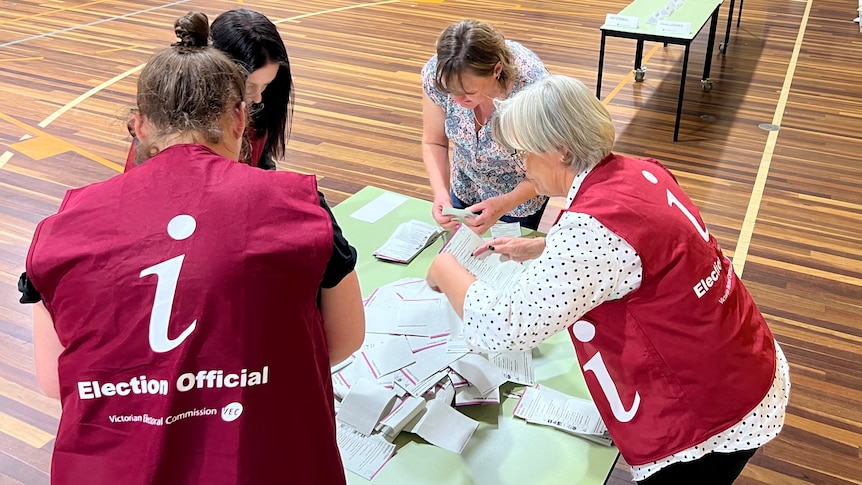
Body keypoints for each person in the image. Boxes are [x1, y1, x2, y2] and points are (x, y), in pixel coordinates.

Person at [19, 12, 363, 485]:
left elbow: (54, 379)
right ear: (242, 119)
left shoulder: (61, 232)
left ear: (137, 127)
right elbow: (344, 339)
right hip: (264, 457)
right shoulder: (301, 208)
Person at [426, 75, 789, 484]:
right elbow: (645, 249)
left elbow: (506, 326)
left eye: (525, 153)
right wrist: (544, 246)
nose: (521, 166)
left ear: (561, 151)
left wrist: (444, 267)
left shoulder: (593, 230)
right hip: (741, 355)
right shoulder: (638, 171)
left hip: (708, 404)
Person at [123, 8, 293, 171]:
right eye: (249, 87)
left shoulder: (258, 110)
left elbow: (263, 166)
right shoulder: (172, 131)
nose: (258, 98)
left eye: (266, 85)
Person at [421, 19, 550, 235]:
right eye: (451, 91)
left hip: (519, 199)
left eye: (468, 93)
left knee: (504, 262)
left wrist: (505, 203)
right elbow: (434, 141)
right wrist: (441, 193)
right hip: (466, 185)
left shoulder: (533, 89)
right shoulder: (438, 73)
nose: (457, 99)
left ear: (496, 70)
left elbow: (549, 167)